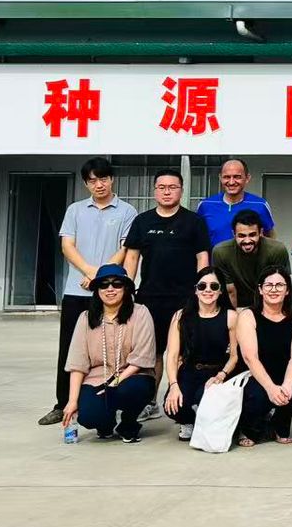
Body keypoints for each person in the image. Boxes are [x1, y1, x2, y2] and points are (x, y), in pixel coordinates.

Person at [41, 157, 136, 427]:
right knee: (70, 348)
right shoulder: (75, 210)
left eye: (103, 179)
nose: (99, 185)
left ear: (112, 179)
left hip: (110, 291)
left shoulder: (126, 211)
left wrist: (100, 276)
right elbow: (67, 246)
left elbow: (125, 248)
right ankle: (63, 404)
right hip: (76, 290)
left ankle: (108, 400)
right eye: (92, 180)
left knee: (114, 348)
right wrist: (89, 272)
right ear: (86, 184)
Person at [124, 168, 211, 408]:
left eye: (172, 187)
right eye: (162, 187)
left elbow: (202, 257)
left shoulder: (194, 222)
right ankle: (149, 402)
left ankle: (182, 404)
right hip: (149, 298)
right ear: (154, 191)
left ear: (181, 191)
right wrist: (127, 290)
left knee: (183, 353)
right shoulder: (142, 221)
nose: (167, 192)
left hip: (185, 299)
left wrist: (201, 291)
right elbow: (132, 257)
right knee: (152, 353)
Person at [60, 264, 157, 442]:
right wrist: (72, 401)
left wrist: (114, 384)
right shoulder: (85, 318)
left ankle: (128, 424)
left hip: (132, 375)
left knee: (131, 390)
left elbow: (141, 357)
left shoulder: (140, 313)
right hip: (98, 378)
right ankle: (105, 424)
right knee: (88, 416)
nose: (110, 289)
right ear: (97, 290)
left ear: (126, 288)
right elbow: (78, 363)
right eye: (104, 285)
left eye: (117, 284)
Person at [161, 266, 239, 441]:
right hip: (189, 371)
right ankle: (189, 421)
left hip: (218, 372)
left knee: (204, 399)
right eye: (202, 286)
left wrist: (221, 375)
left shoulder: (231, 316)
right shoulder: (180, 316)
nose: (208, 290)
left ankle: (212, 421)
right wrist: (173, 385)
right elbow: (172, 355)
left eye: (214, 286)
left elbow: (235, 356)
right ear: (195, 290)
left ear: (221, 291)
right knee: (173, 405)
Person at [236, 265, 292, 445]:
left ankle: (279, 424)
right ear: (260, 290)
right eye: (268, 285)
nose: (274, 289)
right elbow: (250, 357)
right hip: (253, 374)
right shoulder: (248, 315)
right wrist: (270, 388)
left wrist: (288, 384)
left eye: (279, 285)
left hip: (283, 372)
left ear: (287, 290)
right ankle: (247, 429)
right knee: (257, 395)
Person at [212, 209, 290, 311]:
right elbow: (230, 291)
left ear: (261, 232)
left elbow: (281, 286)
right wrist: (233, 316)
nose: (247, 241)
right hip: (238, 303)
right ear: (233, 234)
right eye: (241, 236)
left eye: (252, 235)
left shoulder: (276, 250)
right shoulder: (221, 252)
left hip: (269, 302)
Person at [195, 158, 275, 246]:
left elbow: (270, 238)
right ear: (220, 178)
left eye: (237, 177)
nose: (231, 182)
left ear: (247, 178)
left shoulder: (260, 205)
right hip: (214, 255)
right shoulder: (205, 205)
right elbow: (197, 238)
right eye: (227, 177)